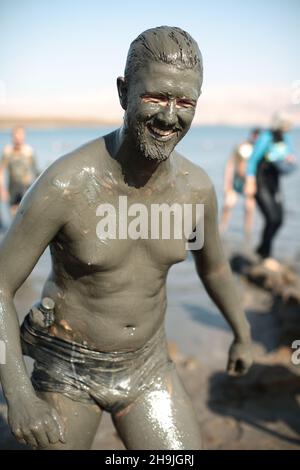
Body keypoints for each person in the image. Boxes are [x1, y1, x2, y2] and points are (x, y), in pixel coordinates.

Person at [0, 26, 252, 450]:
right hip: (67, 366)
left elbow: (216, 268)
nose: (170, 116)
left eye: (185, 102)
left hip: (148, 365)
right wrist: (19, 394)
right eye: (156, 97)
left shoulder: (196, 189)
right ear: (123, 93)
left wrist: (241, 331)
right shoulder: (66, 184)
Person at [245, 113, 296, 266]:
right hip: (261, 181)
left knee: (279, 220)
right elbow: (252, 160)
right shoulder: (266, 137)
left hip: (275, 182)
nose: (288, 128)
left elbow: (289, 153)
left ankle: (261, 249)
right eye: (286, 125)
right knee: (271, 218)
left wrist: (289, 159)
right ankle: (266, 255)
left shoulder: (285, 138)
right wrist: (250, 181)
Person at [220, 128, 260, 236]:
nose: (256, 138)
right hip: (236, 181)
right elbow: (230, 165)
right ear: (252, 135)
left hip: (250, 183)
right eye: (255, 135)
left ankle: (247, 234)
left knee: (249, 208)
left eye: (258, 136)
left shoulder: (260, 149)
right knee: (228, 204)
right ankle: (221, 231)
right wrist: (226, 184)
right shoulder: (241, 146)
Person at [0, 126, 39, 216]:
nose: (18, 139)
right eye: (16, 136)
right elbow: (1, 171)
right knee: (14, 215)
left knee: (25, 214)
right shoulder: (7, 151)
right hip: (12, 187)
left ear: (24, 137)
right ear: (12, 137)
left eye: (20, 136)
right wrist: (2, 190)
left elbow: (36, 171)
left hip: (26, 187)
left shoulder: (29, 151)